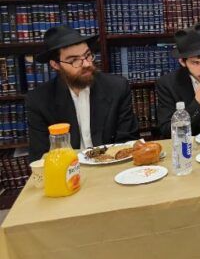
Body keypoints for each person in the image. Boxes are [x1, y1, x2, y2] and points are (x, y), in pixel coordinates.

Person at [26, 25, 139, 162]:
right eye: (74, 60)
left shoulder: (117, 88)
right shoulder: (39, 100)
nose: (86, 64)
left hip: (112, 166)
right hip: (67, 169)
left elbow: (128, 142)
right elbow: (40, 156)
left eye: (87, 55)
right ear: (55, 65)